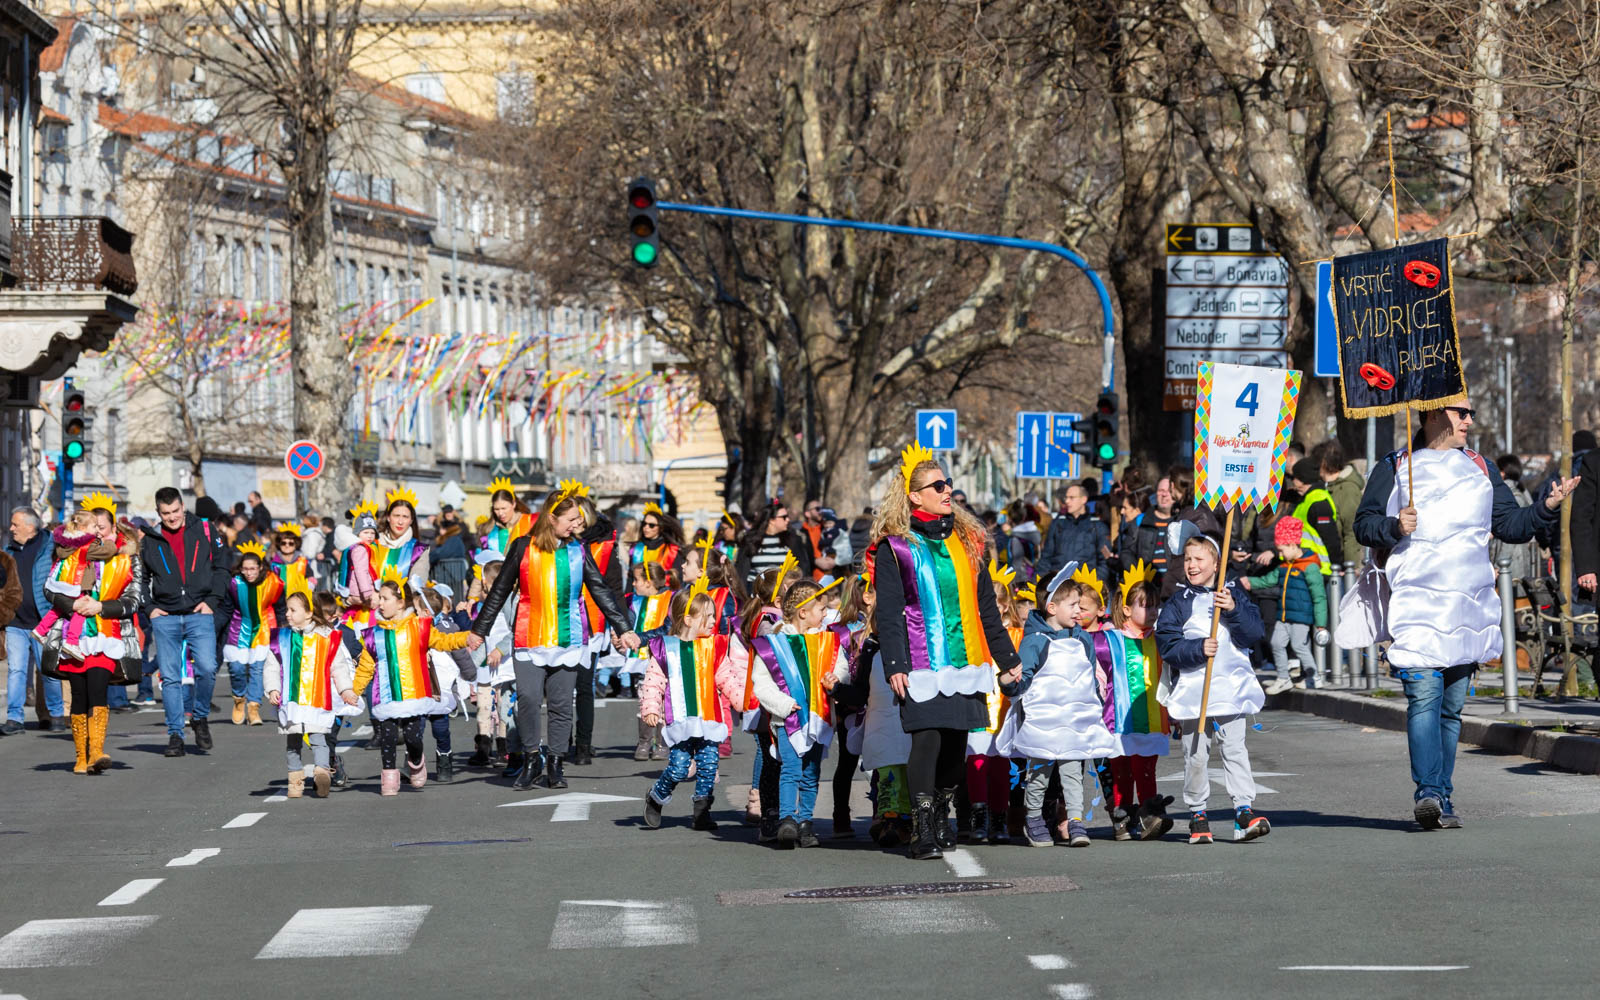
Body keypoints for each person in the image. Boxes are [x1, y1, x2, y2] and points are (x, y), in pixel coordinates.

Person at [1353, 403, 1575, 829]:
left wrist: (1546, 505)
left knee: (1451, 710)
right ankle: (1429, 793)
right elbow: (1363, 525)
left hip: (1467, 606)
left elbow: (1511, 525)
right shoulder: (1395, 466)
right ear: (1433, 415)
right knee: (1424, 696)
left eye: (1472, 412)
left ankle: (1443, 795)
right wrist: (1394, 526)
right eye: (1462, 412)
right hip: (1416, 608)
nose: (1471, 420)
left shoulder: (1481, 468)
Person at [872, 445, 1021, 860]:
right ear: (914, 495)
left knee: (956, 745)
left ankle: (941, 812)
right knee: (928, 740)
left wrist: (1007, 660)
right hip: (919, 663)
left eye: (947, 483)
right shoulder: (896, 547)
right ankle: (921, 827)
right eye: (936, 485)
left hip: (966, 660)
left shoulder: (969, 541)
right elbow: (889, 612)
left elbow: (986, 606)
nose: (946, 489)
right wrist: (896, 665)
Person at [471, 480, 640, 790]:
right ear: (552, 518)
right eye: (572, 520)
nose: (579, 525)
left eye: (579, 519)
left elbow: (601, 591)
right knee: (529, 699)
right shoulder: (523, 547)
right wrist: (479, 630)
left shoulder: (578, 550)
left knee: (562, 704)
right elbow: (499, 590)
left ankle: (557, 764)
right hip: (529, 636)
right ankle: (533, 758)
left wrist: (623, 628)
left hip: (569, 638)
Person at [1156, 533, 1270, 845]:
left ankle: (1243, 811)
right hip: (1196, 693)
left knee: (1234, 749)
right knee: (1196, 754)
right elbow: (1167, 643)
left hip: (1230, 689)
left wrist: (1233, 609)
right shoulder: (1178, 603)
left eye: (1199, 559)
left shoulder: (1233, 595)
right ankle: (1198, 813)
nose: (1191, 565)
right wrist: (1196, 648)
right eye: (1187, 560)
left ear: (1216, 563)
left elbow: (1254, 633)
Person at [996, 573, 1114, 848]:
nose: (1079, 610)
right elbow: (1022, 679)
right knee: (1039, 774)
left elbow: (1088, 675)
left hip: (1074, 722)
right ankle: (1034, 818)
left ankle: (1075, 820)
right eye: (1073, 605)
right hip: (1044, 723)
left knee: (1073, 773)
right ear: (1052, 608)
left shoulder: (1083, 640)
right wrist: (1008, 683)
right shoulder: (1036, 641)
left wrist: (1095, 698)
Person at [746, 578, 853, 848]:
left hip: (818, 716)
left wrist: (835, 678)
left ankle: (805, 821)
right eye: (821, 609)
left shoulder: (828, 641)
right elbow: (762, 682)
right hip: (789, 718)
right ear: (803, 612)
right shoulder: (775, 644)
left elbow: (841, 667)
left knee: (811, 771)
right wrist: (782, 704)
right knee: (791, 769)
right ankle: (787, 820)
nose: (826, 614)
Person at [43, 493, 145, 775]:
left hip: (106, 633)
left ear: (113, 528)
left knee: (98, 688)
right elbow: (50, 589)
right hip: (72, 636)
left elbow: (135, 599)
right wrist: (71, 603)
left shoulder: (127, 557)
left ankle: (97, 751)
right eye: (93, 527)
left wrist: (101, 606)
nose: (98, 532)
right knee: (79, 693)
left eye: (103, 527)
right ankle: (80, 755)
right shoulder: (69, 553)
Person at [350, 570, 477, 794]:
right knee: (388, 737)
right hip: (386, 695)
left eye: (385, 598)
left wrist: (464, 637)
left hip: (414, 695)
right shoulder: (373, 634)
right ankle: (389, 778)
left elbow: (444, 641)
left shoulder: (419, 627)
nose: (379, 603)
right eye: (379, 598)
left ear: (400, 603)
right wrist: (354, 691)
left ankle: (416, 763)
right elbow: (366, 666)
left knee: (412, 738)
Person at [638, 580, 746, 831]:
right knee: (678, 768)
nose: (713, 621)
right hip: (681, 721)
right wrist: (651, 708)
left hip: (709, 718)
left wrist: (743, 700)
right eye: (707, 617)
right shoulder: (667, 648)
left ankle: (702, 811)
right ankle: (656, 797)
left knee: (708, 767)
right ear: (688, 620)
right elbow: (654, 682)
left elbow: (727, 677)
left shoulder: (715, 647)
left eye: (713, 616)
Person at [139, 486, 231, 757]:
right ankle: (175, 735)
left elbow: (222, 567)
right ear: (158, 512)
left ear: (183, 507)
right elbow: (141, 579)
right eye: (166, 513)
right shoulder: (150, 539)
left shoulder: (203, 529)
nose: (172, 517)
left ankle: (200, 717)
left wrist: (212, 601)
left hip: (198, 611)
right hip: (165, 616)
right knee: (170, 678)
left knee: (206, 667)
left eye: (176, 511)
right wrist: (150, 607)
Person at [262, 591, 362, 798]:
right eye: (287, 609)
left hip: (317, 698)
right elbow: (272, 667)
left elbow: (338, 667)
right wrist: (273, 689)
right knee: (294, 742)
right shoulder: (282, 638)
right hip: (292, 701)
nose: (287, 614)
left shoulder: (325, 637)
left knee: (318, 738)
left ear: (308, 613)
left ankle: (322, 773)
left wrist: (346, 690)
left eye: (293, 610)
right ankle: (295, 779)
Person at [1102, 561, 1174, 841]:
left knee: (1145, 768)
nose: (1153, 611)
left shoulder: (1162, 640)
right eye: (1146, 605)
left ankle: (1149, 814)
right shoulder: (1111, 639)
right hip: (1119, 718)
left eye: (1156, 605)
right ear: (1127, 609)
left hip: (1154, 717)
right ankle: (1123, 817)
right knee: (1121, 770)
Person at [1242, 517, 1327, 695]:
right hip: (1284, 615)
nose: (1280, 554)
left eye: (1281, 550)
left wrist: (1320, 624)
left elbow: (1319, 597)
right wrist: (1250, 582)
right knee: (1276, 643)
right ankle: (1283, 678)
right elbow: (1268, 580)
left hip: (1301, 617)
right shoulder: (1285, 566)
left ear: (1292, 544)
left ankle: (1313, 676)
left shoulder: (1309, 567)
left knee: (1299, 646)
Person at [5, 507, 61, 735]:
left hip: (43, 622)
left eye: (15, 524)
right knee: (16, 670)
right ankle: (14, 719)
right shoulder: (8, 551)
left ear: (30, 526)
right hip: (15, 623)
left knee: (48, 671)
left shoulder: (50, 547)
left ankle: (56, 715)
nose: (11, 528)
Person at [219, 541, 284, 726]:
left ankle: (253, 708)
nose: (248, 573)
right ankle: (239, 699)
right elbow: (226, 608)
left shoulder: (274, 582)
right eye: (245, 569)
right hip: (239, 628)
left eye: (252, 568)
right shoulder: (233, 583)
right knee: (237, 669)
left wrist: (281, 629)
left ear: (260, 567)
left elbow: (280, 607)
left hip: (264, 627)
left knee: (257, 670)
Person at [1037, 483, 1110, 583]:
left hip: (1085, 585)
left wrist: (1094, 584)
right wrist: (1040, 582)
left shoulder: (1097, 526)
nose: (1067, 501)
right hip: (1058, 585)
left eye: (1071, 498)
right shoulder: (1058, 523)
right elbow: (1046, 557)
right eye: (1066, 497)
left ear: (1083, 499)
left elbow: (1104, 562)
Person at [1490, 455, 1543, 586]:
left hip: (1511, 562)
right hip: (1513, 560)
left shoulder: (1511, 496)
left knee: (1511, 600)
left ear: (1502, 473)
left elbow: (1510, 538)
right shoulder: (1520, 491)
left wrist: (1499, 565)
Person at [1314, 439, 1365, 571]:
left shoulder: (1347, 490)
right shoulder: (1323, 486)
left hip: (1341, 568)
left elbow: (1351, 532)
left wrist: (1350, 569)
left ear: (1324, 463)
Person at [735, 501, 813, 585]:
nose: (788, 520)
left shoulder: (793, 540)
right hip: (755, 593)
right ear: (771, 520)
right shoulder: (750, 541)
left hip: (783, 593)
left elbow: (803, 569)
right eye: (784, 517)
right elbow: (741, 572)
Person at [1287, 459, 1343, 576]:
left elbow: (1331, 539)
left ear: (1303, 479)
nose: (1293, 482)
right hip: (1305, 567)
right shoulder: (1305, 500)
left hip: (1321, 570)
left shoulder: (1318, 502)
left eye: (1295, 478)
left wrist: (1337, 567)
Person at [372, 488, 430, 591]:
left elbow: (416, 587)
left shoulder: (419, 550)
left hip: (402, 604)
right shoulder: (373, 543)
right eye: (396, 516)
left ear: (411, 520)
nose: (400, 521)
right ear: (388, 517)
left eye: (405, 517)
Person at [429, 505, 473, 597]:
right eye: (446, 512)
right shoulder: (442, 524)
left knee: (454, 596)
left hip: (453, 569)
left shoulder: (457, 533)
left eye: (450, 512)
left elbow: (440, 553)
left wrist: (428, 557)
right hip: (448, 570)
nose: (448, 514)